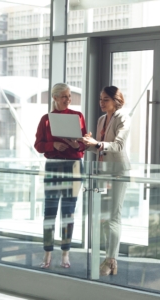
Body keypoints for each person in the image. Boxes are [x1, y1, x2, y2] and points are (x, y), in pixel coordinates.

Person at [34, 83, 87, 269]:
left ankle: (65, 253)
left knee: (68, 212)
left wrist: (76, 145)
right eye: (64, 96)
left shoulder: (78, 116)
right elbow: (38, 145)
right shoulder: (46, 119)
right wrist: (53, 146)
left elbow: (84, 143)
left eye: (69, 96)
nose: (68, 100)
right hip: (53, 166)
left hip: (74, 166)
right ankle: (47, 252)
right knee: (49, 212)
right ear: (55, 98)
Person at [80, 86, 130, 276]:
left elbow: (117, 146)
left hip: (118, 171)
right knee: (102, 217)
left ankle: (111, 260)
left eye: (105, 99)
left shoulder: (123, 117)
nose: (101, 103)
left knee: (114, 216)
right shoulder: (102, 119)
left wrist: (97, 144)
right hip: (102, 171)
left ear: (116, 100)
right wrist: (87, 145)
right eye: (100, 99)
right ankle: (105, 257)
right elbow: (100, 149)